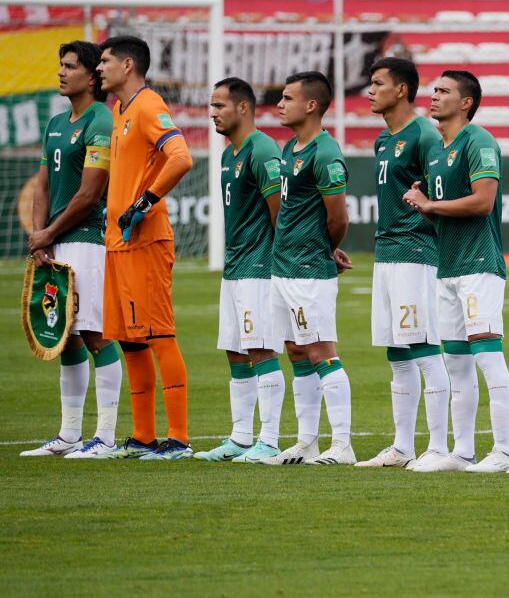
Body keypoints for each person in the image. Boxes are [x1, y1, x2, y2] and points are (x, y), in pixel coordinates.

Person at [402, 70, 509, 473]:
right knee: (457, 363)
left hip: (478, 265)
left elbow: (483, 201)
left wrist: (429, 205)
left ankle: (503, 451)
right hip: (447, 266)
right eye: (434, 90)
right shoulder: (436, 151)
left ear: (466, 102)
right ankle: (463, 451)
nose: (433, 96)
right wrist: (424, 203)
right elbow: (444, 216)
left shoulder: (479, 141)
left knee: (487, 356)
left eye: (444, 91)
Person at [21, 41, 123, 459]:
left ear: (91, 77)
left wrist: (49, 233)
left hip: (87, 240)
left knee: (96, 334)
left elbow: (90, 192)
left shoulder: (101, 120)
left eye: (69, 66)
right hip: (59, 239)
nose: (61, 72)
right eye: (59, 65)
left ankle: (107, 436)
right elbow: (43, 184)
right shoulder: (56, 123)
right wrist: (41, 233)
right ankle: (68, 435)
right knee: (66, 336)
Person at [95, 35, 193, 460]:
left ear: (128, 64)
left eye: (105, 61)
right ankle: (142, 436)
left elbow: (181, 156)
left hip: (146, 240)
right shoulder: (120, 110)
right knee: (129, 340)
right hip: (118, 242)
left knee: (158, 334)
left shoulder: (150, 105)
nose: (99, 68)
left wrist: (144, 202)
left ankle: (179, 439)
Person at [354, 57, 450, 470]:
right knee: (397, 350)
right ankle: (402, 446)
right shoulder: (382, 140)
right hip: (387, 252)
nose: (370, 91)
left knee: (424, 345)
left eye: (378, 84)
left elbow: (442, 194)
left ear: (403, 90)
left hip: (416, 251)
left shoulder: (426, 136)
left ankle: (441, 447)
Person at [260, 71, 354, 466]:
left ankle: (343, 445)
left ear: (311, 105)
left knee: (320, 350)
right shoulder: (290, 149)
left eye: (287, 98)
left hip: (307, 269)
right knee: (296, 350)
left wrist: (324, 249)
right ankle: (306, 442)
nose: (280, 104)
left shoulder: (325, 153)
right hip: (283, 266)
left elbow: (338, 218)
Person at [194, 77, 287, 463]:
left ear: (243, 108)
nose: (212, 113)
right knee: (235, 350)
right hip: (235, 268)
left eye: (219, 106)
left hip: (259, 267)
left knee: (261, 348)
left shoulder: (262, 149)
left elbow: (280, 210)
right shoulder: (228, 153)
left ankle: (269, 439)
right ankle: (241, 437)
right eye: (211, 106)